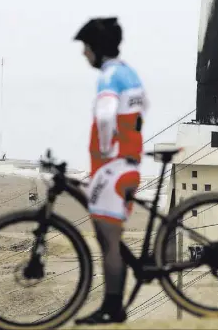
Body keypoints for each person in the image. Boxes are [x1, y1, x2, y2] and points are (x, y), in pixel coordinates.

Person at [73, 18, 148, 325]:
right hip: (127, 163)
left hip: (113, 167)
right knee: (110, 239)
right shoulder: (128, 72)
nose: (83, 54)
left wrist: (105, 150)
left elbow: (105, 115)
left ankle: (112, 308)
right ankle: (112, 306)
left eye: (86, 48)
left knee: (109, 241)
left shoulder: (110, 76)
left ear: (97, 48)